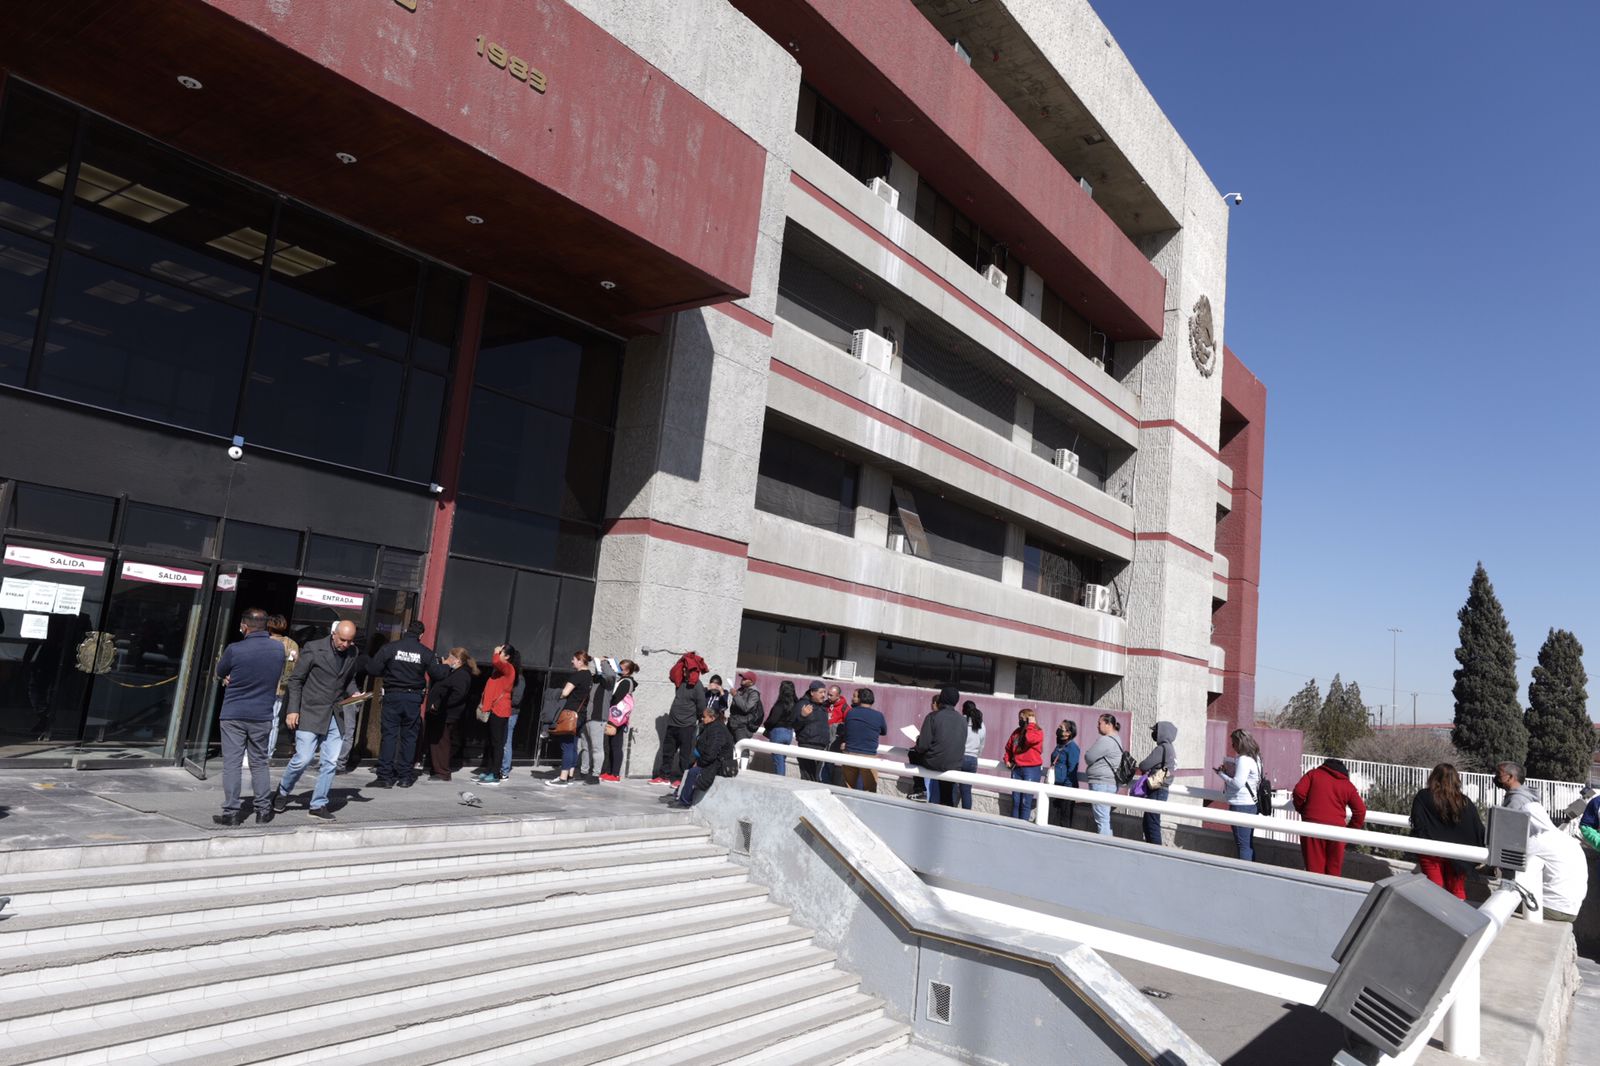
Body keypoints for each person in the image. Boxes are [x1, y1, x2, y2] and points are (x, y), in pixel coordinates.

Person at [274, 620, 362, 821]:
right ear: (334, 634)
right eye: (342, 640)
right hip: (311, 711)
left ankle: (318, 804)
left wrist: (355, 693)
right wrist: (293, 710)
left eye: (350, 641)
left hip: (335, 714)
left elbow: (348, 679)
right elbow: (296, 680)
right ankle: (283, 791)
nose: (345, 644)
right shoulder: (313, 648)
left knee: (330, 762)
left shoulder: (352, 652)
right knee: (303, 759)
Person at [212, 607, 286, 827]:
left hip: (234, 713)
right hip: (262, 714)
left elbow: (220, 671)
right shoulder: (278, 649)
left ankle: (231, 813)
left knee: (232, 764)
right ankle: (263, 811)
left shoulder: (235, 649)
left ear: (244, 626)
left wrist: (230, 677)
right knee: (259, 763)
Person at [366, 620, 439, 789]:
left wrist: (388, 672)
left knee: (389, 736)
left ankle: (385, 777)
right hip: (413, 698)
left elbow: (373, 669)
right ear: (421, 635)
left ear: (406, 630)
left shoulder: (390, 648)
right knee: (409, 738)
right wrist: (446, 666)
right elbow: (437, 673)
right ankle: (405, 777)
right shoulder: (425, 652)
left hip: (393, 695)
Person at [1408, 763, 1484, 899]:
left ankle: (1434, 913)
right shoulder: (1465, 802)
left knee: (1433, 889)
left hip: (1430, 851)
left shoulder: (1423, 796)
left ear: (1433, 777)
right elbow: (1476, 828)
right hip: (1459, 855)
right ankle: (1457, 913)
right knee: (1457, 891)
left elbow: (1418, 822)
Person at [1291, 757, 1367, 876]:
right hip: (1337, 832)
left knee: (1314, 871)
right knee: (1333, 872)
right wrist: (1349, 832)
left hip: (1312, 829)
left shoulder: (1313, 774)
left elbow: (1298, 792)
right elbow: (1360, 811)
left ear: (1325, 766)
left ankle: (1315, 888)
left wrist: (1303, 810)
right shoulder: (1347, 785)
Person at [423, 647, 477, 781]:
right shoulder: (455, 672)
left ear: (457, 660)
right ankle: (437, 768)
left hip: (447, 714)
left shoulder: (462, 674)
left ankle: (442, 772)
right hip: (442, 713)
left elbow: (457, 694)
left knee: (442, 743)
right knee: (437, 742)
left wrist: (439, 704)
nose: (447, 659)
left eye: (450, 657)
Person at [909, 687, 965, 805]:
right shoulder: (962, 720)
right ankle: (947, 805)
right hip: (954, 764)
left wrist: (918, 741)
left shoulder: (933, 716)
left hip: (934, 762)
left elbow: (923, 746)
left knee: (912, 753)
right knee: (946, 791)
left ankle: (920, 790)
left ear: (942, 698)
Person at [544, 650, 590, 788]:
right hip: (581, 714)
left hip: (570, 714)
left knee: (567, 745)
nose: (572, 661)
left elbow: (565, 693)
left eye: (574, 659)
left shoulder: (577, 675)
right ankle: (570, 775)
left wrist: (555, 694)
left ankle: (563, 778)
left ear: (580, 661)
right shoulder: (589, 676)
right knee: (573, 745)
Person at [674, 701, 734, 808]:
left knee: (693, 772)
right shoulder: (711, 726)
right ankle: (678, 794)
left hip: (719, 764)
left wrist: (699, 763)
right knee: (689, 766)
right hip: (711, 760)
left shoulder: (717, 730)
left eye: (704, 717)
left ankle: (684, 802)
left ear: (712, 718)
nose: (702, 719)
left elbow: (711, 753)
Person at [652, 670, 706, 786]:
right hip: (673, 723)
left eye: (687, 670)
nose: (684, 671)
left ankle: (681, 779)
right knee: (668, 751)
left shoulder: (697, 685)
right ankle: (664, 776)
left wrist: (697, 717)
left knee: (684, 754)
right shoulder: (680, 681)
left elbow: (702, 705)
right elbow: (672, 675)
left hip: (687, 725)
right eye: (683, 669)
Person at [1215, 728, 1262, 861]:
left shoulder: (1243, 759)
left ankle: (1244, 871)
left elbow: (1237, 783)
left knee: (1243, 845)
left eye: (1234, 743)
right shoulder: (1256, 758)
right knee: (1248, 843)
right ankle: (1251, 870)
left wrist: (1221, 774)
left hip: (1241, 805)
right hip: (1251, 804)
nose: (1232, 746)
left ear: (1240, 743)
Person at [1081, 714, 1123, 836]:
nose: (1097, 726)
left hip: (1101, 783)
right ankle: (1107, 841)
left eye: (1100, 723)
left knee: (1102, 819)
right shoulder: (1117, 739)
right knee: (1104, 817)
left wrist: (1088, 754)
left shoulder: (1106, 740)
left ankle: (1105, 843)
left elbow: (1089, 757)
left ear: (1108, 725)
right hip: (1109, 783)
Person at [1136, 721, 1178, 845]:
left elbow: (1144, 765)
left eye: (1155, 731)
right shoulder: (1170, 748)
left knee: (1152, 823)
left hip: (1157, 790)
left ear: (1162, 733)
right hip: (1162, 789)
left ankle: (1156, 851)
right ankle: (1152, 849)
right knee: (1149, 821)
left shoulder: (1162, 748)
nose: (1154, 734)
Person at [264, 614, 299, 759]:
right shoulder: (292, 644)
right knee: (274, 721)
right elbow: (295, 667)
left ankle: (251, 752)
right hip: (280, 688)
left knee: (256, 721)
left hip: (260, 686)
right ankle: (268, 753)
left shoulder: (263, 641)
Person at [838, 688, 887, 792]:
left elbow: (847, 729)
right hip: (869, 756)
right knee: (870, 790)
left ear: (859, 699)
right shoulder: (879, 716)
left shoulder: (850, 713)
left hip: (850, 753)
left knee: (848, 788)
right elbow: (883, 731)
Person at [599, 658, 638, 781]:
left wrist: (608, 703)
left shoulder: (626, 682)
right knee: (612, 744)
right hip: (618, 717)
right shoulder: (622, 680)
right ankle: (609, 771)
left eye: (620, 668)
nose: (618, 669)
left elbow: (617, 698)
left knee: (615, 745)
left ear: (627, 671)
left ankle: (615, 774)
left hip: (617, 717)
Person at [1004, 709, 1045, 820]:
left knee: (1025, 802)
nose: (1020, 721)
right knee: (1016, 801)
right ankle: (1013, 826)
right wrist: (1007, 759)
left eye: (1022, 719)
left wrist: (1030, 725)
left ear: (1029, 719)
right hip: (1017, 769)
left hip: (1031, 770)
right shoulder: (1016, 732)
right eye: (1019, 719)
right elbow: (1008, 748)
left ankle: (1022, 826)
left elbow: (1029, 739)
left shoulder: (1038, 732)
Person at [794, 679, 834, 781]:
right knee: (808, 778)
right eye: (821, 692)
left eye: (824, 692)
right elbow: (795, 725)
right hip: (807, 746)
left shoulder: (823, 707)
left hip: (821, 747)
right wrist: (802, 716)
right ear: (812, 692)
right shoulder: (802, 704)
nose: (824, 695)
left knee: (816, 779)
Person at [762, 680, 798, 777]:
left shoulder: (780, 704)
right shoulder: (796, 704)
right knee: (782, 759)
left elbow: (772, 720)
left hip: (778, 732)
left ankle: (780, 780)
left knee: (778, 760)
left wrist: (766, 725)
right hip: (789, 732)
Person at [1048, 721, 1080, 829]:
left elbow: (1072, 769)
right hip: (1055, 785)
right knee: (1052, 817)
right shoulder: (1059, 745)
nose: (1058, 729)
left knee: (1064, 818)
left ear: (1068, 733)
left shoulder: (1072, 747)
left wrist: (1066, 788)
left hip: (1066, 787)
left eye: (1061, 727)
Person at [957, 702, 986, 810]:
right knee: (966, 790)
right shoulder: (981, 723)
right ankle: (966, 814)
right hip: (973, 759)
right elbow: (982, 743)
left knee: (954, 787)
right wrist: (976, 755)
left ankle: (950, 813)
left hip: (959, 757)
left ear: (963, 709)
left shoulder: (960, 721)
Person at [728, 671, 764, 745]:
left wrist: (735, 695)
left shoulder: (754, 693)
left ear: (751, 682)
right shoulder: (740, 690)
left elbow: (746, 708)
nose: (742, 680)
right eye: (742, 678)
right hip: (733, 724)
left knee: (742, 748)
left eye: (745, 679)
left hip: (743, 727)